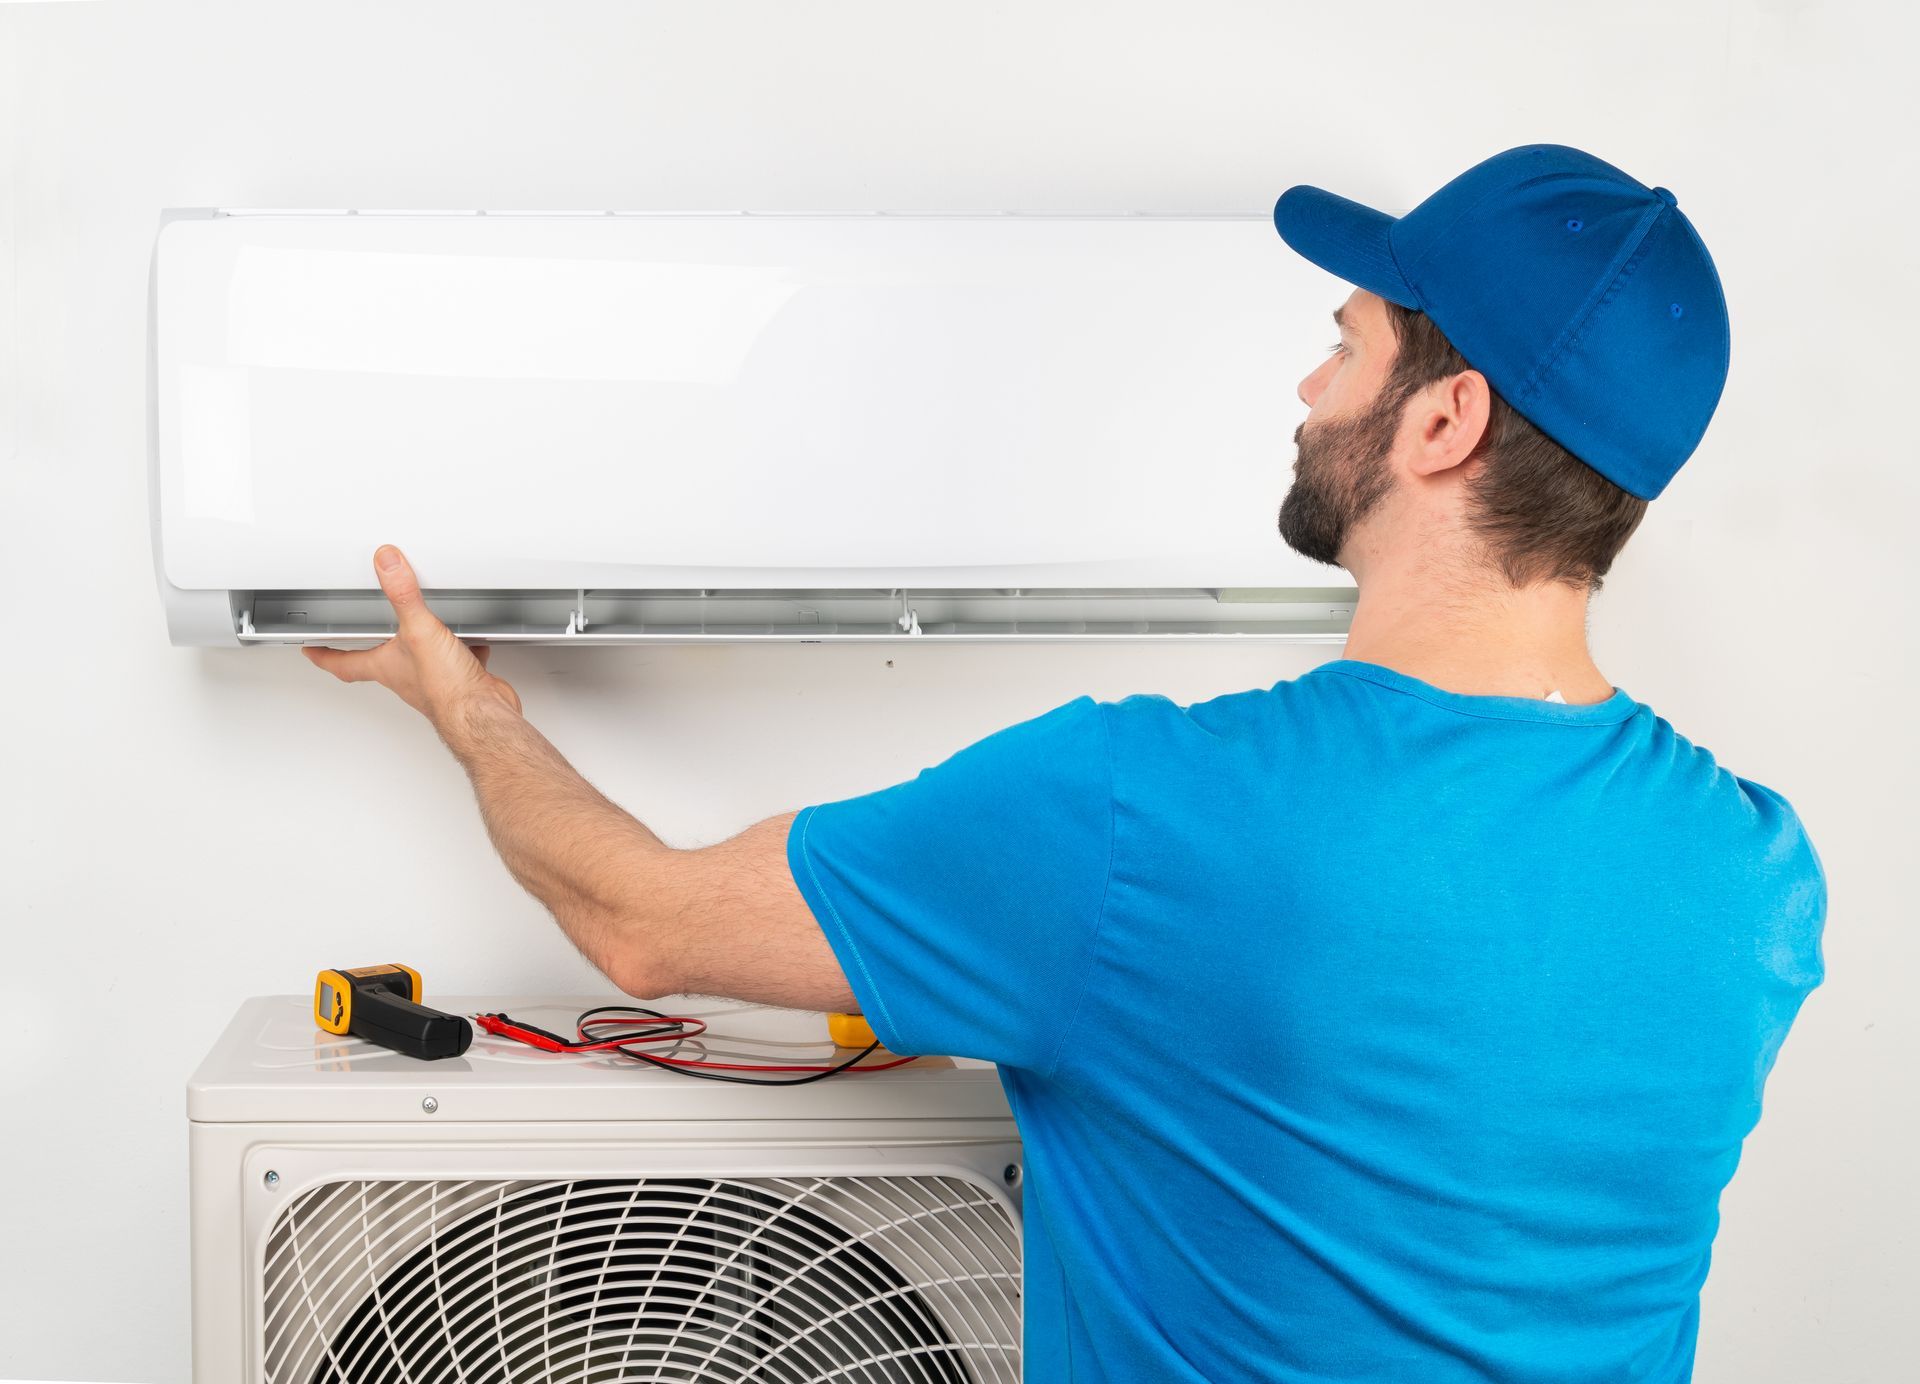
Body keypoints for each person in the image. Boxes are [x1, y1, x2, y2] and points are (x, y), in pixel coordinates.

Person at [304, 144, 1827, 1382]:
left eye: (1342, 344)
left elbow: (637, 919)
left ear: (1445, 420)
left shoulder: (1138, 815)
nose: (1310, 390)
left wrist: (467, 706)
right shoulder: (1761, 873)